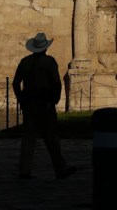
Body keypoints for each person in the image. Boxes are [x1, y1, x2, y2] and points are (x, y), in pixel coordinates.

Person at [13, 32, 76, 179]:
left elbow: (16, 83)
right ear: (45, 48)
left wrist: (21, 99)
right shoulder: (49, 62)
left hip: (29, 104)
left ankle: (24, 170)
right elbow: (56, 82)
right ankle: (60, 169)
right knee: (52, 138)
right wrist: (53, 100)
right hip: (44, 104)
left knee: (28, 138)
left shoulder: (25, 62)